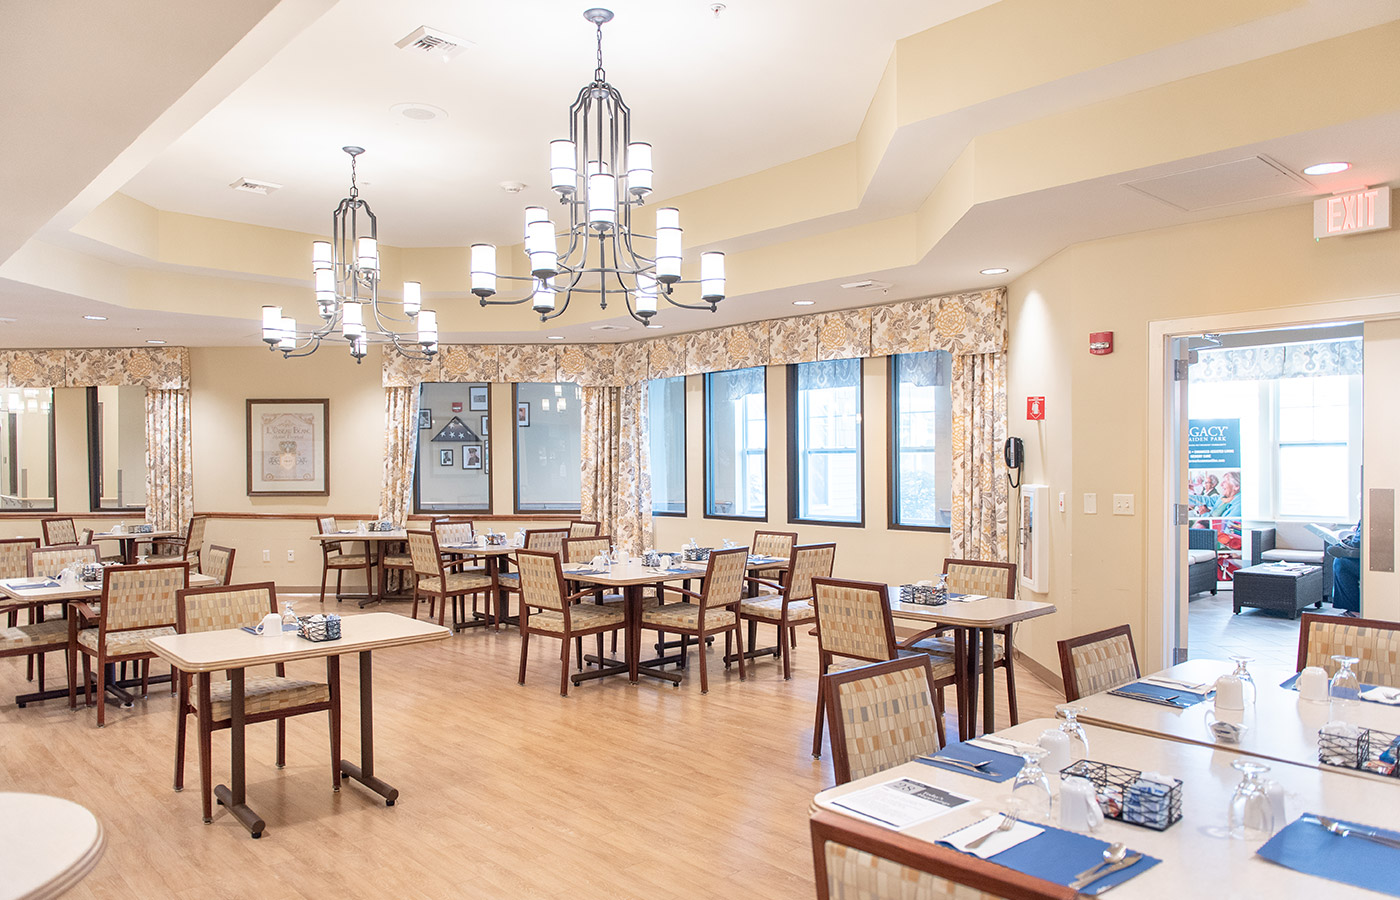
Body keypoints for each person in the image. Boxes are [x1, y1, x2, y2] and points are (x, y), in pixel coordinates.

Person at [1330, 519, 1361, 616]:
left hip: (1371, 563)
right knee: (1341, 560)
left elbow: (1357, 543)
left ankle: (1354, 611)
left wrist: (1345, 542)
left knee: (1340, 564)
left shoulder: (1370, 515)